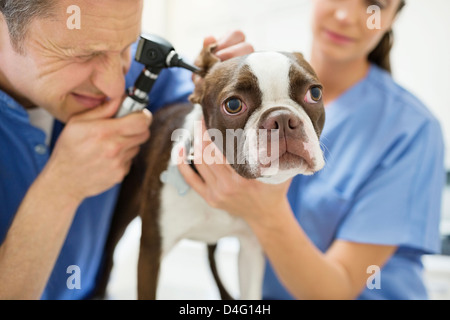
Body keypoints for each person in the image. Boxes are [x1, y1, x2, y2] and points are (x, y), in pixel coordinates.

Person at [179, 0, 446, 299]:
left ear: (392, 18)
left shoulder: (411, 129)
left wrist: (265, 212)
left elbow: (338, 290)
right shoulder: (252, 75)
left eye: (375, 5)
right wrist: (216, 83)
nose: (345, 15)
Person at [0, 0, 253, 299]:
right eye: (84, 55)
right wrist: (59, 192)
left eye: (126, 49)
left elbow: (195, 103)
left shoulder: (136, 67)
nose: (114, 86)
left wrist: (233, 92)